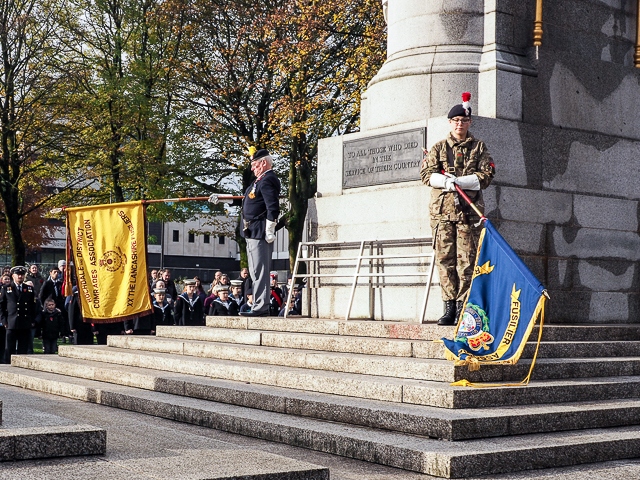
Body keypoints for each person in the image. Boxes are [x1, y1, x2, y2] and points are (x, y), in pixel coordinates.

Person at [420, 92, 495, 325]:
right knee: (445, 260)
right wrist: (444, 181)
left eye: (463, 120)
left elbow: (487, 174)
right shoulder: (439, 148)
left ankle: (464, 306)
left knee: (467, 261)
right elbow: (425, 174)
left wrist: (462, 182)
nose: (459, 124)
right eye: (455, 121)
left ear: (469, 122)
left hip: (468, 215)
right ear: (450, 122)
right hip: (442, 215)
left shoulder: (479, 148)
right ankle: (448, 307)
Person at [211, 148, 280, 317]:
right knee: (255, 272)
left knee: (260, 272)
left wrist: (269, 230)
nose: (252, 168)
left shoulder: (268, 180)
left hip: (259, 231)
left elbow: (273, 207)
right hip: (251, 232)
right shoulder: (258, 181)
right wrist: (222, 198)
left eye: (254, 165)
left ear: (263, 163)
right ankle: (258, 305)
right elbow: (244, 199)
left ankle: (261, 307)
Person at [1, 266, 40, 364]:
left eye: (22, 275)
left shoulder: (29, 289)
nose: (20, 276)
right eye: (18, 274)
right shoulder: (6, 289)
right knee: (9, 347)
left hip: (25, 322)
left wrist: (32, 321)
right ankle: (8, 364)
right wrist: (4, 320)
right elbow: (1, 306)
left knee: (23, 346)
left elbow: (32, 306)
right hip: (11, 322)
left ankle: (20, 365)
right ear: (13, 276)